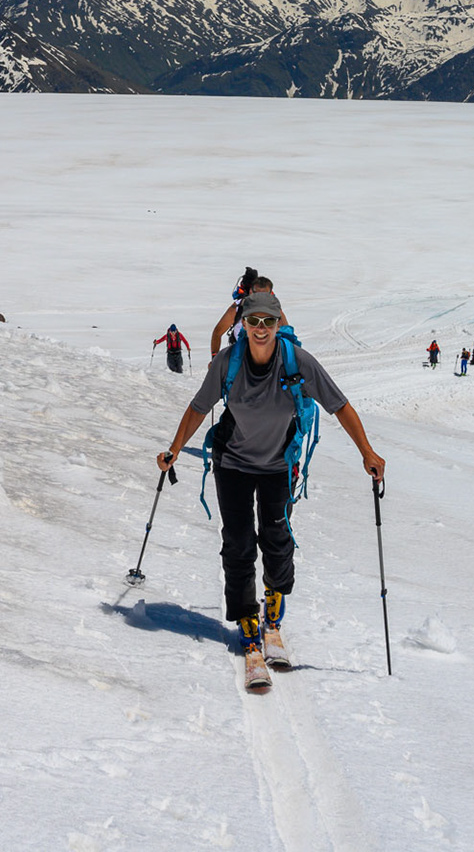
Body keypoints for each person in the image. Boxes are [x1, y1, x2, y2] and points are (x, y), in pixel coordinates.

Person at [157, 291, 384, 691]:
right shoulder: (228, 363)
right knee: (239, 542)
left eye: (268, 321)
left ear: (279, 324)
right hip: (234, 464)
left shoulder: (298, 362)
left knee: (277, 539)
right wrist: (174, 449)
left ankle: (272, 617)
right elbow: (197, 407)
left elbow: (340, 406)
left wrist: (367, 451)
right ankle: (248, 623)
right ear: (242, 324)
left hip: (279, 464)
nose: (260, 328)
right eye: (253, 321)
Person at [210, 271, 283, 355]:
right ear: (251, 292)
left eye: (264, 295)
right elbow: (217, 332)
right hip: (240, 355)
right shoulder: (238, 306)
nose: (261, 299)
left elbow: (287, 333)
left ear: (270, 294)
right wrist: (215, 358)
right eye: (258, 295)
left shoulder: (274, 308)